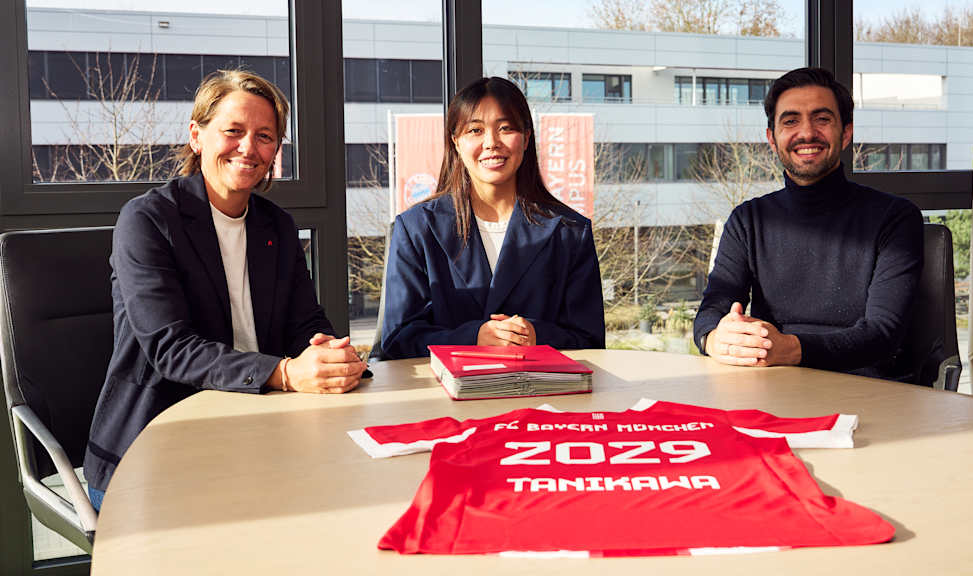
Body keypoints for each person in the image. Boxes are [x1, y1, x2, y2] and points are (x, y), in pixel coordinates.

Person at [84, 70, 366, 511]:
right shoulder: (148, 221)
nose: (249, 148)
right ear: (197, 136)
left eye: (265, 136)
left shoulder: (276, 225)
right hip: (155, 450)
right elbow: (171, 348)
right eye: (233, 131)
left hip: (261, 434)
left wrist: (326, 352)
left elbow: (303, 321)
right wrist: (287, 374)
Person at [693, 67, 923, 380]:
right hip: (770, 384)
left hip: (867, 387)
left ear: (846, 133)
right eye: (790, 121)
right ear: (772, 139)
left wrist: (791, 349)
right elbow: (712, 310)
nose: (806, 133)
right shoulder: (747, 220)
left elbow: (884, 333)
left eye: (822, 118)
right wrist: (716, 339)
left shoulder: (895, 218)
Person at [380, 76, 605, 359]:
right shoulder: (416, 229)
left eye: (506, 128)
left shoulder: (570, 231)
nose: (491, 143)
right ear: (456, 143)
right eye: (475, 130)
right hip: (442, 398)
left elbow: (591, 340)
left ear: (526, 138)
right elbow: (397, 341)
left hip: (541, 395)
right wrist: (473, 338)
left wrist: (537, 336)